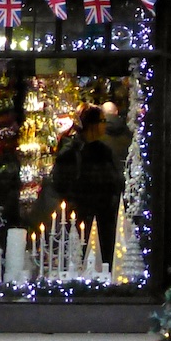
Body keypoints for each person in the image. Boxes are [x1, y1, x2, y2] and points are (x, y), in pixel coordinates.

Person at [50, 105, 123, 260]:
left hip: (100, 219)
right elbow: (61, 184)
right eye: (102, 121)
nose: (106, 125)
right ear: (92, 125)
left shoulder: (103, 150)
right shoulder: (74, 152)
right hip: (82, 219)